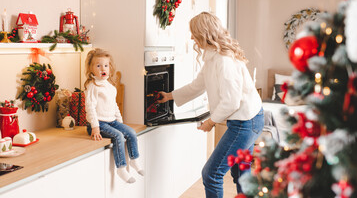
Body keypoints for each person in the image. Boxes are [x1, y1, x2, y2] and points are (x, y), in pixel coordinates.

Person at [158, 12, 264, 197]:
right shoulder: (212, 57)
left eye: (193, 33)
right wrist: (169, 96)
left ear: (204, 33)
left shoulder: (223, 60)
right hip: (250, 119)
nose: (191, 37)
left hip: (245, 123)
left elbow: (231, 101)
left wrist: (211, 121)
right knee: (241, 173)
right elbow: (197, 86)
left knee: (211, 174)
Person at [84, 48, 144, 183]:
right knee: (119, 136)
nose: (102, 68)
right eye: (98, 66)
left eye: (105, 65)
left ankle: (134, 160)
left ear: (110, 67)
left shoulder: (110, 86)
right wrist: (95, 127)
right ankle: (121, 168)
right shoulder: (92, 86)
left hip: (112, 121)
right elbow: (90, 107)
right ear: (91, 68)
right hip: (99, 123)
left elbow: (114, 105)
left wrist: (120, 121)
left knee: (131, 132)